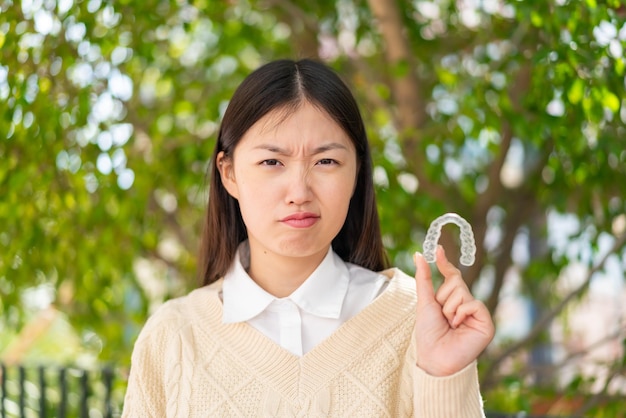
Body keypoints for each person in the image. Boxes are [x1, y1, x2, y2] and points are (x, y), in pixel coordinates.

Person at [121, 59, 495, 417]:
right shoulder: (172, 337)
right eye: (272, 162)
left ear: (357, 173)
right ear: (229, 172)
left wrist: (444, 374)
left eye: (326, 161)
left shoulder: (418, 320)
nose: (299, 191)